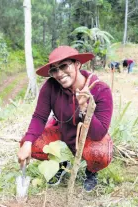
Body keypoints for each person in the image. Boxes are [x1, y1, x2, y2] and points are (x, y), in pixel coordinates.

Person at [17, 46, 113, 192]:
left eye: (64, 66)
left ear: (77, 64)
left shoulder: (100, 89)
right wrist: (27, 142)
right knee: (30, 143)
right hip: (63, 134)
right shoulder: (50, 87)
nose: (59, 74)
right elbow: (39, 117)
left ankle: (91, 171)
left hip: (89, 139)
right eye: (54, 70)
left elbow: (98, 134)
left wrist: (85, 108)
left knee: (100, 153)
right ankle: (62, 163)